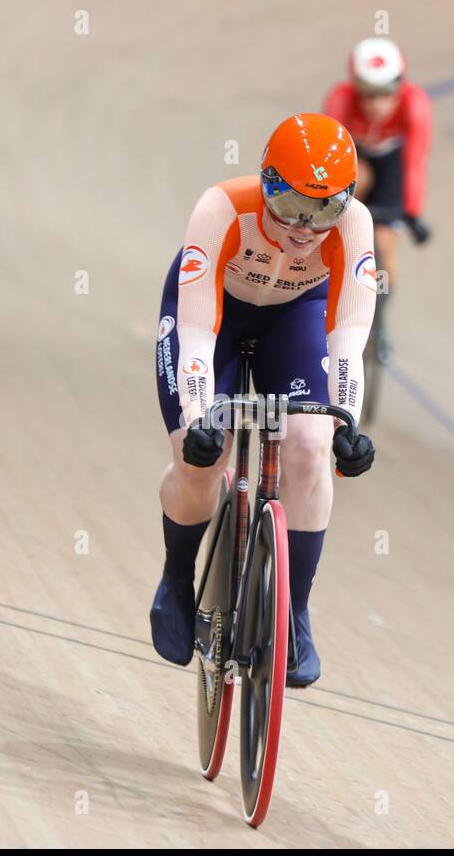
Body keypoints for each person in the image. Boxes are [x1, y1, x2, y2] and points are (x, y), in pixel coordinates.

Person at [151, 113, 378, 687]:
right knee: (202, 455)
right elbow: (198, 330)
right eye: (292, 207)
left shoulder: (355, 225)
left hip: (296, 315)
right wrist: (200, 416)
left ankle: (295, 613)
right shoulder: (221, 208)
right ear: (266, 183)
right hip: (215, 314)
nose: (306, 228)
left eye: (325, 211)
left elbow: (349, 334)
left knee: (308, 444)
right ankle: (178, 579)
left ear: (345, 202)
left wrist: (346, 419)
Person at [324, 37, 432, 362]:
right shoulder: (340, 100)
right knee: (356, 180)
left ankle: (379, 319)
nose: (376, 103)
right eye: (368, 94)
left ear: (400, 85)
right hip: (356, 158)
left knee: (384, 243)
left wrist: (411, 213)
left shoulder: (415, 105)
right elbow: (328, 156)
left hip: (393, 162)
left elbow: (415, 161)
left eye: (385, 93)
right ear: (354, 85)